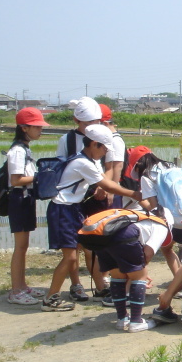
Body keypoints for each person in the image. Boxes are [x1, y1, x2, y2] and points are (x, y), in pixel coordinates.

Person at [42, 125, 142, 311]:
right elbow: (108, 185)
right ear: (94, 144)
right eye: (104, 148)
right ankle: (50, 298)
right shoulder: (83, 163)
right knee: (71, 257)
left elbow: (103, 182)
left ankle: (95, 288)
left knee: (83, 249)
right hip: (63, 210)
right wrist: (134, 194)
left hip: (72, 209)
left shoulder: (88, 160)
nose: (105, 153)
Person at [55, 96, 104, 302]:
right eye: (88, 124)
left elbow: (105, 164)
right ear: (77, 121)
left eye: (96, 123)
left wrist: (104, 188)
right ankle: (76, 284)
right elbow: (61, 169)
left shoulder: (101, 136)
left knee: (93, 243)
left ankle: (101, 285)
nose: (92, 127)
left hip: (95, 194)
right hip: (73, 199)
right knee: (72, 247)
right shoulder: (66, 141)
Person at [99, 209, 173, 332]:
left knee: (117, 276)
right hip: (123, 237)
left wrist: (134, 271)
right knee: (140, 276)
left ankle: (122, 319)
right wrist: (139, 273)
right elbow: (148, 254)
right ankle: (136, 321)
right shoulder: (161, 225)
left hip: (100, 238)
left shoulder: (137, 218)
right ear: (166, 220)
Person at [6, 108, 50, 305]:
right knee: (20, 247)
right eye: (37, 127)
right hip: (18, 198)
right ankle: (16, 291)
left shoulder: (24, 149)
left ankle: (22, 286)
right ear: (24, 128)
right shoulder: (17, 151)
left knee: (24, 246)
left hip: (25, 198)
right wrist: (43, 177)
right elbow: (15, 180)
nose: (40, 130)